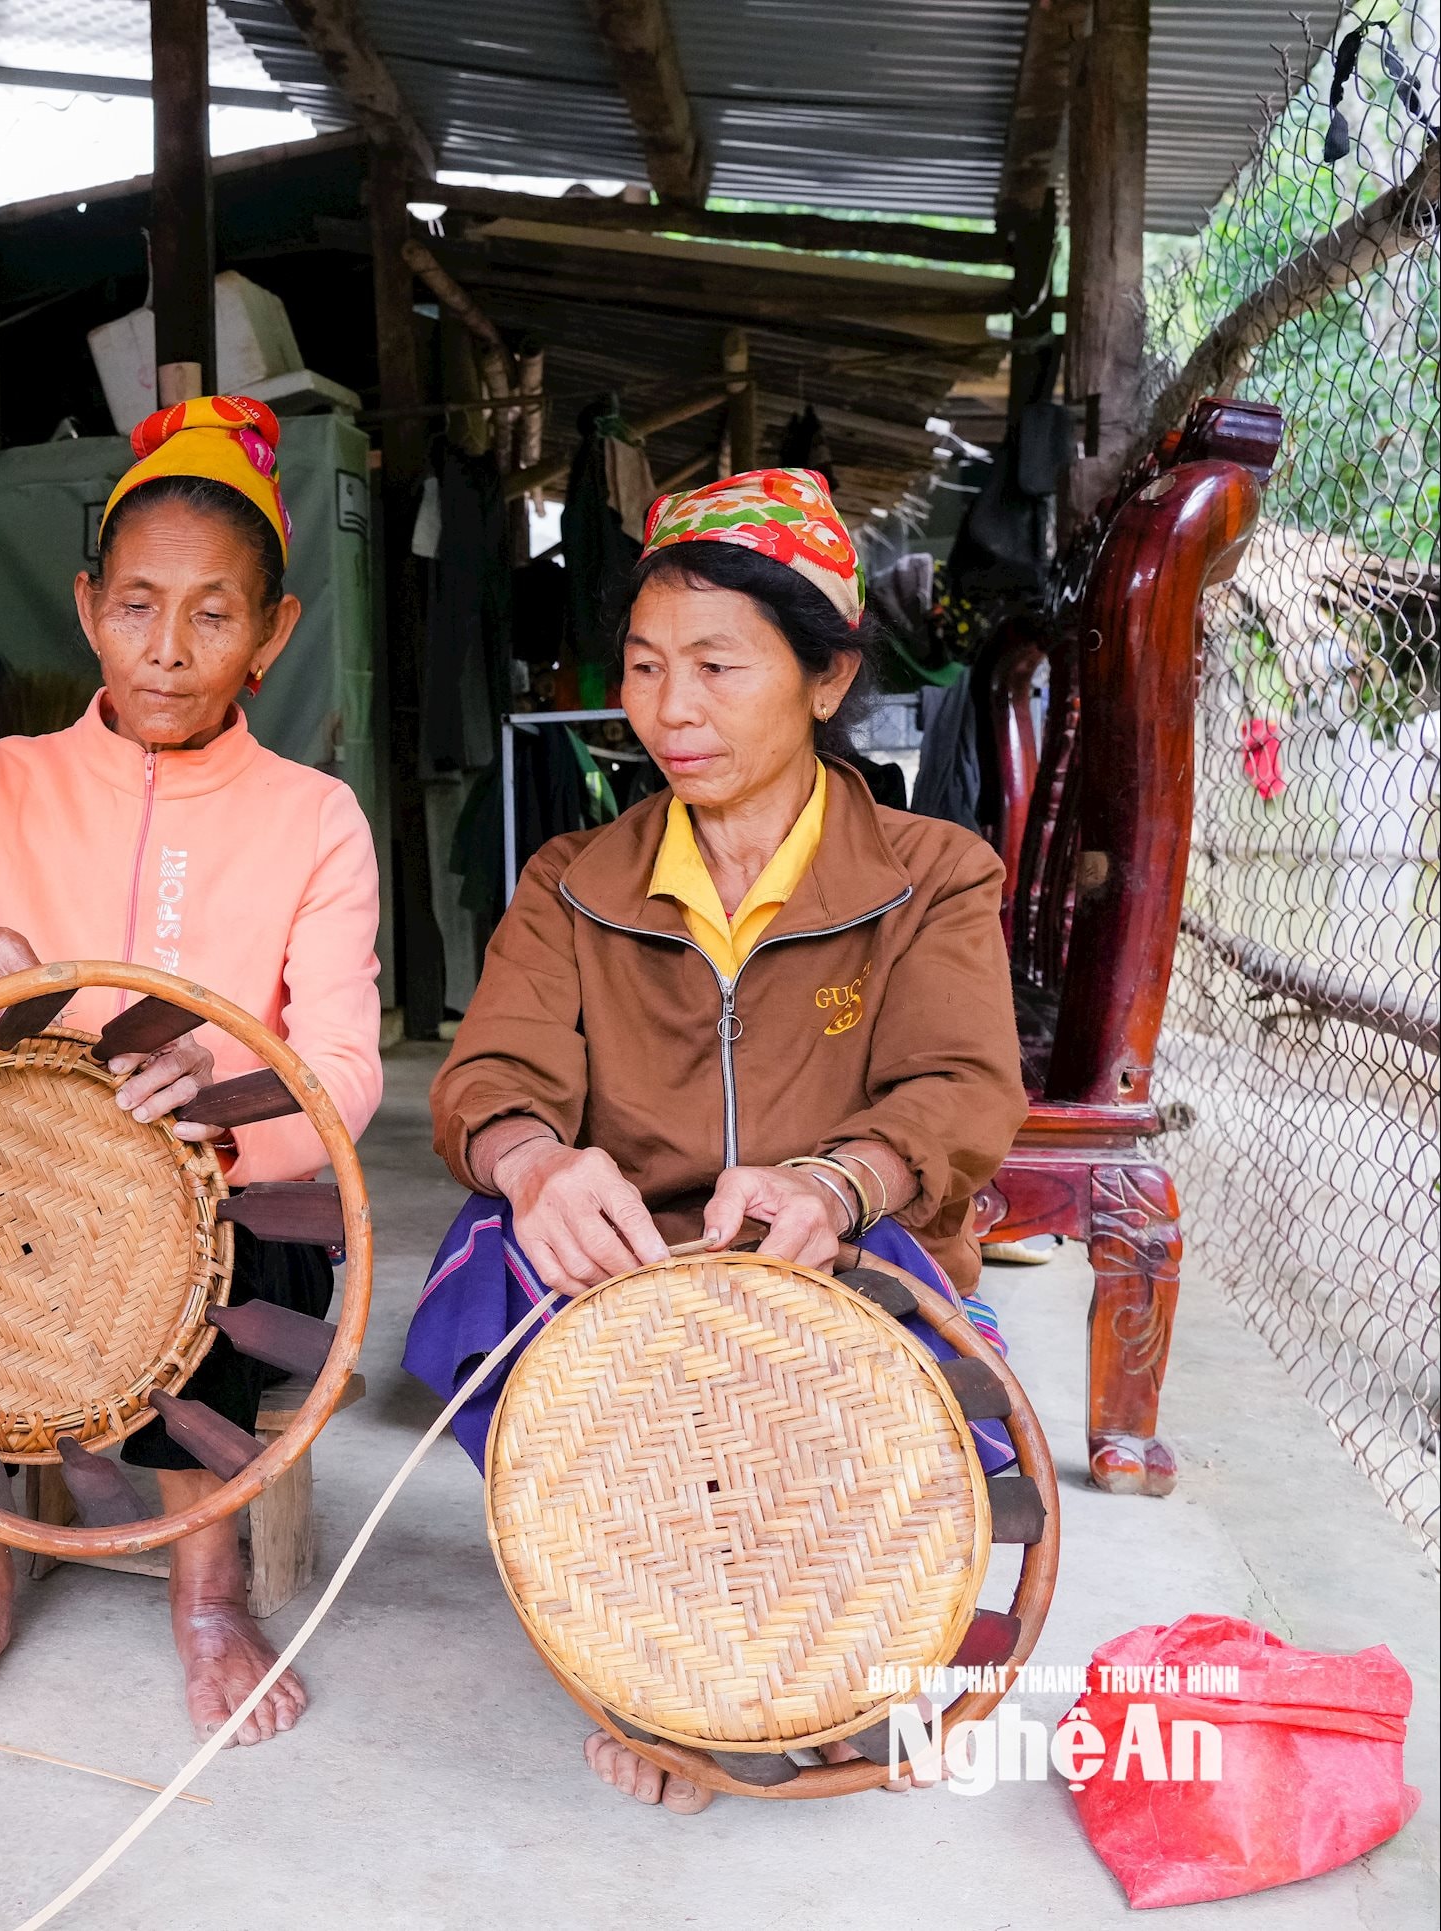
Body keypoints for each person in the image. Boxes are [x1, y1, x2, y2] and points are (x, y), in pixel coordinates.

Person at [406, 468, 1028, 1811]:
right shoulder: (574, 883)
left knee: (879, 1429)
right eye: (642, 666)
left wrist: (841, 1182)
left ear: (825, 678)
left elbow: (960, 1086)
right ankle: (655, 1660)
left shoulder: (932, 874)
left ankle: (821, 1657)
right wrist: (532, 1162)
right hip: (632, 1282)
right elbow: (491, 1071)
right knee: (488, 1251)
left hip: (836, 1265)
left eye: (715, 665)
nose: (668, 708)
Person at [0, 395, 383, 1749]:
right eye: (139, 603)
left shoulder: (314, 819)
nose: (168, 647)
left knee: (244, 1258)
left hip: (220, 1186)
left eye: (214, 613)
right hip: (13, 1179)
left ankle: (207, 1594)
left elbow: (342, 1068)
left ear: (275, 635)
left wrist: (211, 1100)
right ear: (88, 609)